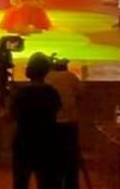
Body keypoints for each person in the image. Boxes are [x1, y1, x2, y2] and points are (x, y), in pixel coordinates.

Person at [9, 53, 62, 189]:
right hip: (47, 144)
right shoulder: (52, 93)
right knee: (48, 182)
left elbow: (10, 117)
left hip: (23, 144)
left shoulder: (21, 94)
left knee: (20, 183)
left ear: (29, 70)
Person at [45, 59, 83, 189]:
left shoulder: (48, 77)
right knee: (71, 160)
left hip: (52, 123)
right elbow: (81, 92)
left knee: (52, 159)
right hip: (70, 123)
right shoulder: (70, 77)